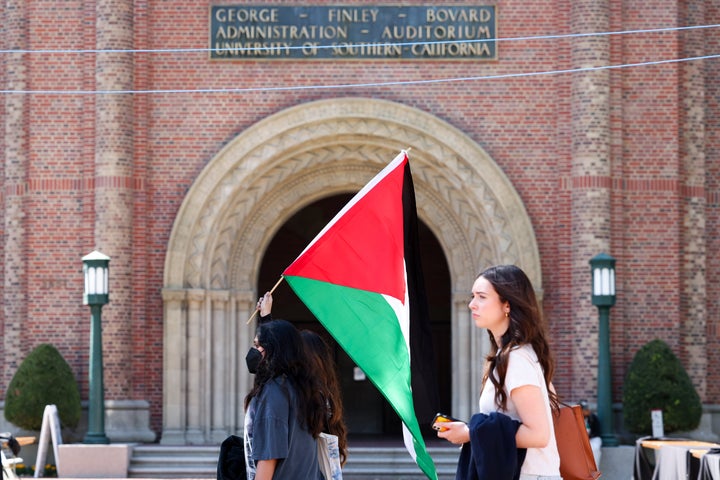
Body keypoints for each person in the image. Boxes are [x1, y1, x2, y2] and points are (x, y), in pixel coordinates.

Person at [434, 264, 562, 480]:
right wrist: (471, 430)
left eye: (481, 297)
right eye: (473, 296)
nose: (472, 304)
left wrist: (470, 433)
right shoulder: (512, 354)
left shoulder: (518, 357)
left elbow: (539, 434)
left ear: (507, 305)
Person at [256, 292, 349, 466]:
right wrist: (265, 318)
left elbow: (275, 370)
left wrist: (266, 319)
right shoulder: (318, 394)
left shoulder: (309, 396)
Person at [243, 318, 326, 480]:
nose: (253, 351)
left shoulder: (274, 392)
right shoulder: (303, 389)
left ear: (273, 350)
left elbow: (268, 458)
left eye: (257, 346)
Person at [579, 399, 602, 466]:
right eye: (584, 409)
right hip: (580, 440)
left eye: (587, 408)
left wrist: (589, 436)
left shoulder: (593, 418)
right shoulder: (575, 418)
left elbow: (597, 432)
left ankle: (594, 470)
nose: (587, 410)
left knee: (595, 448)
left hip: (592, 439)